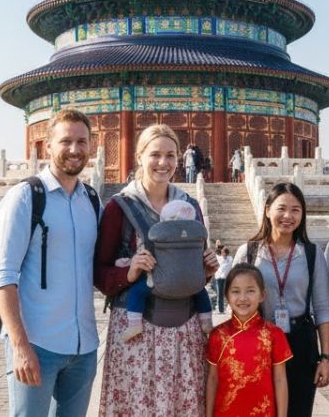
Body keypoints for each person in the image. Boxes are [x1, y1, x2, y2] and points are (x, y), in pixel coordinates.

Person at [95, 124, 219, 416]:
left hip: (184, 327)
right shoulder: (120, 207)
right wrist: (129, 272)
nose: (163, 163)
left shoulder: (189, 206)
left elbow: (194, 271)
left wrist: (208, 268)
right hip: (136, 329)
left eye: (170, 155)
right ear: (139, 156)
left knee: (182, 406)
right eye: (155, 154)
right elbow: (98, 273)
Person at [0, 109, 100, 417]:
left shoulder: (92, 201)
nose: (75, 149)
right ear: (47, 147)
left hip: (83, 348)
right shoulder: (25, 197)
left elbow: (103, 265)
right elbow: (3, 277)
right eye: (65, 141)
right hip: (37, 342)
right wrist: (20, 346)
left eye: (82, 141)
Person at [234, 182, 329, 417]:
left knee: (298, 410)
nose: (288, 216)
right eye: (281, 208)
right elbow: (236, 304)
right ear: (267, 209)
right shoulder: (248, 253)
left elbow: (322, 308)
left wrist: (326, 358)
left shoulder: (311, 254)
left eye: (295, 210)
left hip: (300, 342)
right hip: (258, 339)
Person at [119, 199, 213, 341]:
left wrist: (126, 262)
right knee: (201, 292)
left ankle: (134, 324)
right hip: (194, 282)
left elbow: (146, 254)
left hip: (161, 283)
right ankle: (206, 321)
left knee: (137, 291)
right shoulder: (198, 232)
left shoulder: (158, 232)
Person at [206, 264, 292, 417]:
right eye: (235, 291)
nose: (243, 298)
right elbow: (212, 380)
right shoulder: (218, 335)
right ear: (226, 296)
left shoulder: (274, 334)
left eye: (251, 291)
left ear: (262, 295)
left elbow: (280, 380)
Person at [214, 246, 233, 314]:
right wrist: (217, 246)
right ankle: (220, 309)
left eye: (223, 252)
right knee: (220, 294)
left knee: (227, 293)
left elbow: (230, 263)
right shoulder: (219, 258)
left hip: (226, 278)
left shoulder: (230, 259)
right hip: (219, 278)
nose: (222, 254)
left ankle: (229, 307)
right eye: (222, 252)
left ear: (226, 253)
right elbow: (216, 254)